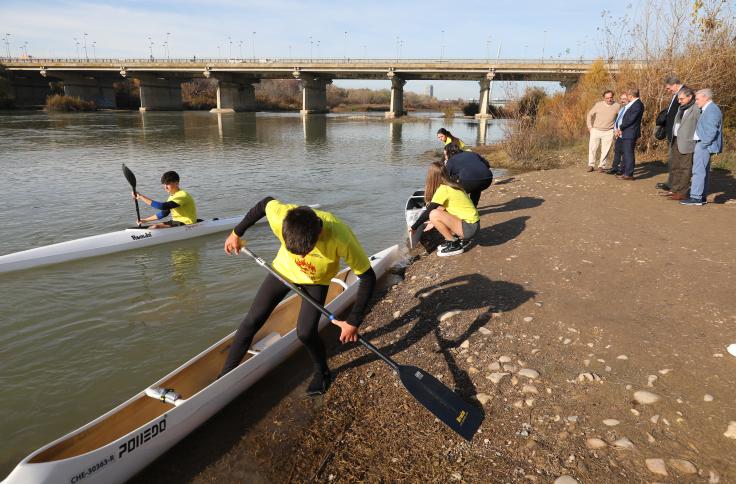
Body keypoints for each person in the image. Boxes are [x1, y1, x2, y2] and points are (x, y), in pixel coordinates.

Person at [218, 198, 376, 396]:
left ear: (318, 234)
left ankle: (322, 372)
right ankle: (224, 378)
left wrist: (353, 321)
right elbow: (264, 204)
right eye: (296, 252)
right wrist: (236, 233)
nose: (301, 258)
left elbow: (368, 277)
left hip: (316, 280)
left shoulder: (340, 236)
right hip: (282, 271)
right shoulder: (282, 215)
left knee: (305, 332)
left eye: (306, 252)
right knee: (252, 320)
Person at [409, 161, 480, 257]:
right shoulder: (453, 185)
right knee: (437, 211)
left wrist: (414, 227)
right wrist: (430, 222)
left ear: (432, 177)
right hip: (473, 225)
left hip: (469, 228)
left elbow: (429, 211)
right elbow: (444, 208)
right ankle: (453, 240)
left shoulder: (443, 190)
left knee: (433, 214)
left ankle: (454, 244)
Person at [681, 89, 723, 206]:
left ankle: (696, 197)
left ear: (706, 98)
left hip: (703, 144)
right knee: (702, 170)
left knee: (698, 171)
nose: (696, 102)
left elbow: (712, 131)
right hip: (703, 144)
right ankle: (701, 196)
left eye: (698, 99)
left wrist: (703, 144)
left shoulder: (712, 110)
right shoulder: (709, 109)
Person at [667, 87, 700, 201]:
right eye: (678, 99)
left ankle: (683, 192)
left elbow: (699, 125)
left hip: (687, 143)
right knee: (675, 166)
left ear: (690, 97)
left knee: (685, 168)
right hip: (676, 140)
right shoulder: (681, 107)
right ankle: (675, 189)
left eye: (681, 99)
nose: (679, 101)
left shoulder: (696, 109)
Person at [658, 76, 685, 191]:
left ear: (675, 85)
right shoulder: (677, 94)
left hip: (678, 134)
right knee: (673, 160)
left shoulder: (685, 94)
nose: (668, 91)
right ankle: (671, 183)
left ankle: (674, 185)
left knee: (676, 161)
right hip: (672, 132)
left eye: (669, 88)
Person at [585, 90, 620, 172]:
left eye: (611, 97)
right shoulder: (598, 105)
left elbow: (620, 118)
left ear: (613, 97)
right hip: (596, 130)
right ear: (603, 98)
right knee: (592, 148)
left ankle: (601, 166)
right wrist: (590, 127)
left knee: (605, 150)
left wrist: (617, 129)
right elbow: (589, 114)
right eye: (607, 98)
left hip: (608, 131)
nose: (609, 99)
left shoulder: (617, 106)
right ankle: (591, 165)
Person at [614, 86, 644, 180]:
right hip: (627, 132)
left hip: (630, 132)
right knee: (626, 153)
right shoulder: (634, 104)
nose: (627, 97)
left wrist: (621, 127)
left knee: (628, 153)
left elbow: (630, 120)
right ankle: (626, 172)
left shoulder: (638, 104)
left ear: (631, 95)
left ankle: (629, 174)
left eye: (627, 95)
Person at [607, 93, 630, 175]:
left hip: (625, 134)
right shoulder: (621, 109)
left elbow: (628, 122)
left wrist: (621, 130)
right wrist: (615, 130)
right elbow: (617, 121)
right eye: (621, 98)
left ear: (629, 99)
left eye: (624, 98)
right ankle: (614, 168)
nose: (622, 100)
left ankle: (622, 169)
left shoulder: (629, 109)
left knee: (624, 152)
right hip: (618, 134)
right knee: (617, 151)